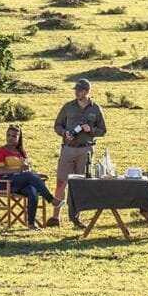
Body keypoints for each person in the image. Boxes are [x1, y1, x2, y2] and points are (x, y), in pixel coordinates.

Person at [46, 78, 107, 228]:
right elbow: (57, 125)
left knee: (79, 184)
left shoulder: (96, 109)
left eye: (79, 90)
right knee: (61, 183)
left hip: (86, 149)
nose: (76, 92)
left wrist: (90, 130)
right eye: (75, 90)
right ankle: (55, 217)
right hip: (68, 149)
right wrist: (64, 132)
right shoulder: (68, 107)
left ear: (87, 91)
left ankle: (76, 218)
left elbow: (103, 131)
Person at [0, 125, 64, 230]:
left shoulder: (22, 152)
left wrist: (36, 176)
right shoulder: (1, 150)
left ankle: (31, 224)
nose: (10, 138)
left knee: (32, 189)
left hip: (18, 183)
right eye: (8, 135)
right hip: (3, 183)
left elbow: (26, 171)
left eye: (14, 136)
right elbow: (0, 170)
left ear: (19, 138)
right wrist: (19, 170)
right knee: (28, 175)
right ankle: (51, 200)